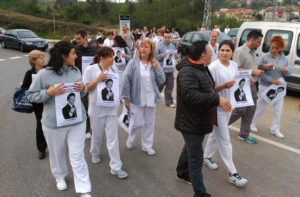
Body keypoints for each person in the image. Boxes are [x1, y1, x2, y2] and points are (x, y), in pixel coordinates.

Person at [26, 41, 92, 197]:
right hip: (54, 124)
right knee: (57, 153)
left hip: (77, 121)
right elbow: (30, 95)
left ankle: (84, 189)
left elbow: (83, 91)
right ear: (64, 56)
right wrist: (48, 93)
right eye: (73, 53)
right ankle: (60, 176)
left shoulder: (75, 71)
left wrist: (83, 88)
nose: (76, 56)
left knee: (77, 155)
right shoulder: (44, 74)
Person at [175, 40, 230, 197]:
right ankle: (200, 193)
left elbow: (208, 88)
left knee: (190, 147)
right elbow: (191, 96)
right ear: (203, 55)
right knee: (196, 156)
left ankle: (181, 172)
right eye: (211, 51)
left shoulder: (202, 68)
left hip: (198, 120)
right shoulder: (187, 72)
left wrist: (218, 93)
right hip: (190, 122)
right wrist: (216, 100)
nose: (213, 53)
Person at [202, 40, 248, 187]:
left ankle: (206, 156)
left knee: (216, 134)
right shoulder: (213, 67)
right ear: (218, 51)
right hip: (216, 108)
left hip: (229, 107)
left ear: (232, 52)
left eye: (228, 50)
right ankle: (232, 173)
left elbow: (239, 83)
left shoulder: (234, 65)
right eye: (222, 50)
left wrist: (248, 80)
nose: (224, 53)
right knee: (225, 140)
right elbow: (207, 90)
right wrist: (223, 86)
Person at [83, 47, 128, 179]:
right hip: (96, 109)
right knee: (97, 135)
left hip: (111, 110)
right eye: (111, 57)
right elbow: (85, 89)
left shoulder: (115, 70)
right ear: (102, 58)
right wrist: (98, 79)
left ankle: (116, 166)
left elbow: (119, 89)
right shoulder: (90, 70)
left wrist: (120, 98)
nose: (113, 59)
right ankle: (94, 151)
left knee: (112, 138)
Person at [122, 39, 166, 156]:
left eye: (146, 47)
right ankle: (131, 138)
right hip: (137, 98)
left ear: (151, 50)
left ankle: (147, 145)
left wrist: (158, 68)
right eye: (141, 47)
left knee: (149, 123)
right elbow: (126, 81)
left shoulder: (154, 63)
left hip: (151, 98)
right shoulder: (133, 63)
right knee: (136, 122)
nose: (143, 49)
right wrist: (126, 99)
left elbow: (162, 80)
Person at [251, 35, 292, 139]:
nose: (273, 50)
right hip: (266, 86)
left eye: (276, 48)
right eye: (272, 47)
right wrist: (271, 80)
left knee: (278, 109)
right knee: (261, 106)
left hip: (278, 88)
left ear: (280, 48)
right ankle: (252, 123)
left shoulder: (284, 59)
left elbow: (289, 73)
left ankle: (275, 129)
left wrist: (286, 70)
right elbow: (259, 71)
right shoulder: (264, 57)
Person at [228, 30, 264, 143]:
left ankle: (244, 134)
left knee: (251, 110)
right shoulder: (240, 51)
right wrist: (251, 72)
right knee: (240, 110)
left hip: (252, 85)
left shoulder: (253, 52)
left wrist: (261, 68)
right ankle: (220, 124)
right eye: (258, 41)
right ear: (252, 40)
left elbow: (251, 66)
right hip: (242, 85)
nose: (259, 44)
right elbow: (235, 68)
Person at [21, 50, 47, 160]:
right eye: (41, 58)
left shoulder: (47, 71)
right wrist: (34, 90)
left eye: (43, 57)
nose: (43, 59)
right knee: (40, 124)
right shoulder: (29, 73)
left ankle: (52, 143)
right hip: (38, 104)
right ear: (34, 61)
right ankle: (41, 149)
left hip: (49, 101)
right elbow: (24, 88)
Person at [74, 29, 97, 139]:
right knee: (83, 106)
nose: (77, 40)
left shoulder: (94, 49)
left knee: (94, 106)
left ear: (85, 37)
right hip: (81, 83)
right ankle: (86, 129)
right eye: (76, 38)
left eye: (79, 38)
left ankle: (96, 127)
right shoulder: (75, 50)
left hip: (93, 82)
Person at [155, 31, 178, 108]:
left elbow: (175, 56)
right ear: (163, 37)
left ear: (171, 38)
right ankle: (155, 97)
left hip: (170, 70)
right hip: (162, 70)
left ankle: (169, 102)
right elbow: (155, 57)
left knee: (169, 87)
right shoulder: (159, 46)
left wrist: (175, 56)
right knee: (160, 86)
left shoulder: (172, 46)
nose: (167, 39)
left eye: (169, 37)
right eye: (166, 37)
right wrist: (162, 55)